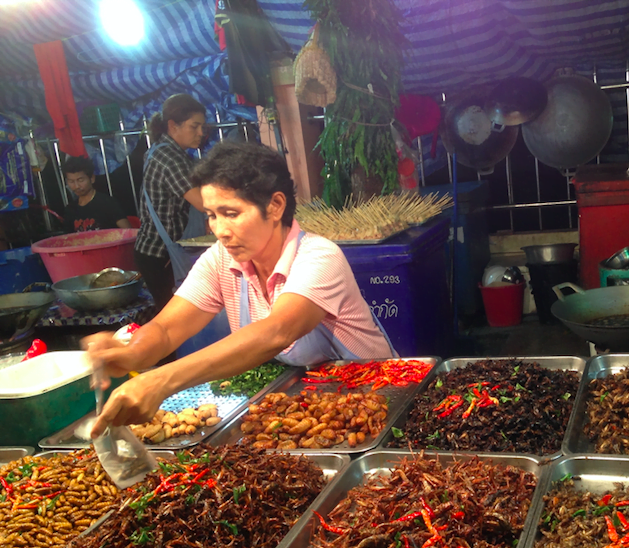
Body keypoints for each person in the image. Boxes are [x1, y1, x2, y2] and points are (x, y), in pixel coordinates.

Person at [86, 141, 395, 435]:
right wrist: (132, 354)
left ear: (275, 206)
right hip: (323, 404)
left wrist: (163, 379)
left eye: (231, 214)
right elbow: (167, 329)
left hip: (380, 394)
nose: (219, 230)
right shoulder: (222, 259)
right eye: (211, 215)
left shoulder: (319, 257)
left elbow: (277, 332)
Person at [134, 93, 208, 309]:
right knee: (175, 318)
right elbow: (204, 203)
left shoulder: (169, 151)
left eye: (202, 127)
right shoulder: (169, 157)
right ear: (173, 126)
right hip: (160, 255)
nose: (201, 133)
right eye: (194, 127)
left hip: (160, 250)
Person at [60, 156, 129, 233]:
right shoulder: (70, 210)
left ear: (92, 178)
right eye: (71, 181)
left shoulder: (108, 203)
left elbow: (128, 232)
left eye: (81, 180)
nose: (76, 186)